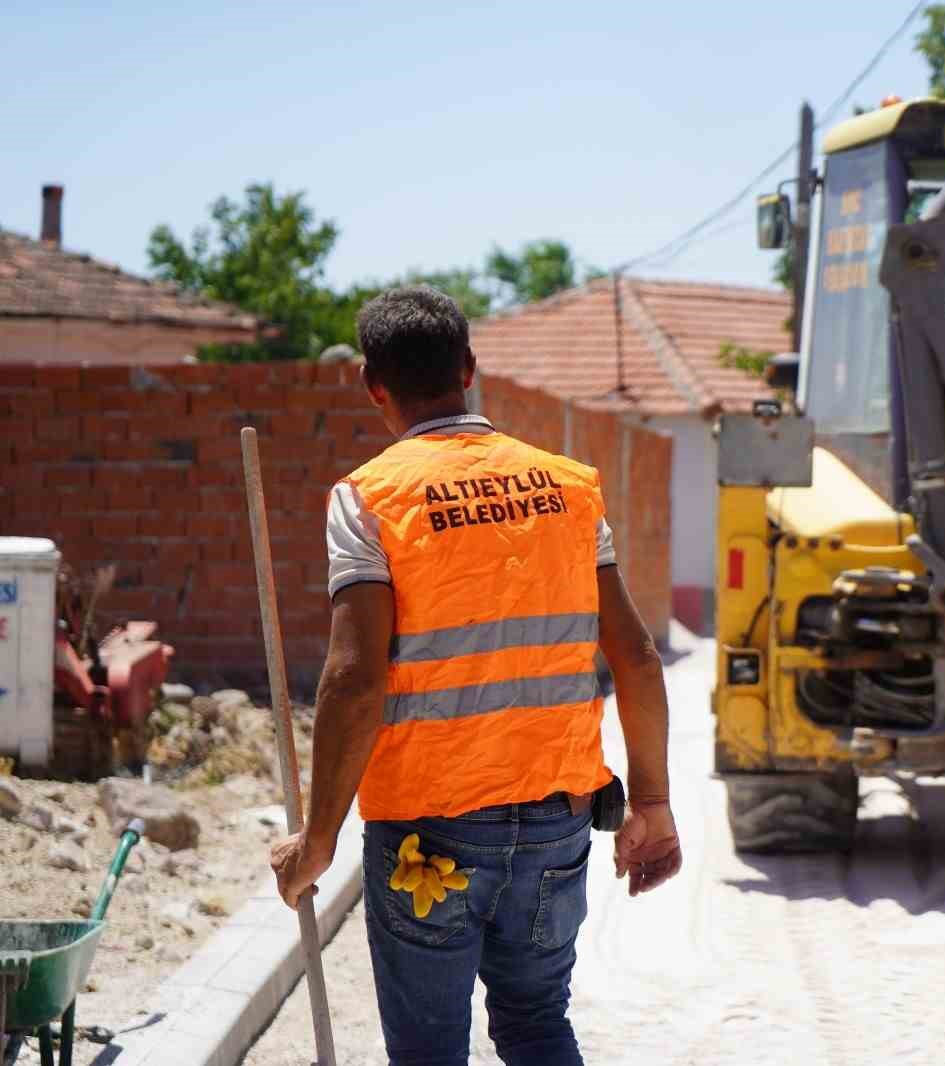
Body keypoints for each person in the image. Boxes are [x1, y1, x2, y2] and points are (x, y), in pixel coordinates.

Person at [269, 285, 682, 1066]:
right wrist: (653, 803)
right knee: (536, 1028)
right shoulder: (568, 489)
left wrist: (318, 840)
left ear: (371, 382)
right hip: (558, 824)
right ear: (469, 367)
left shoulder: (369, 500)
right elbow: (636, 655)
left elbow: (355, 679)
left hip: (433, 833)